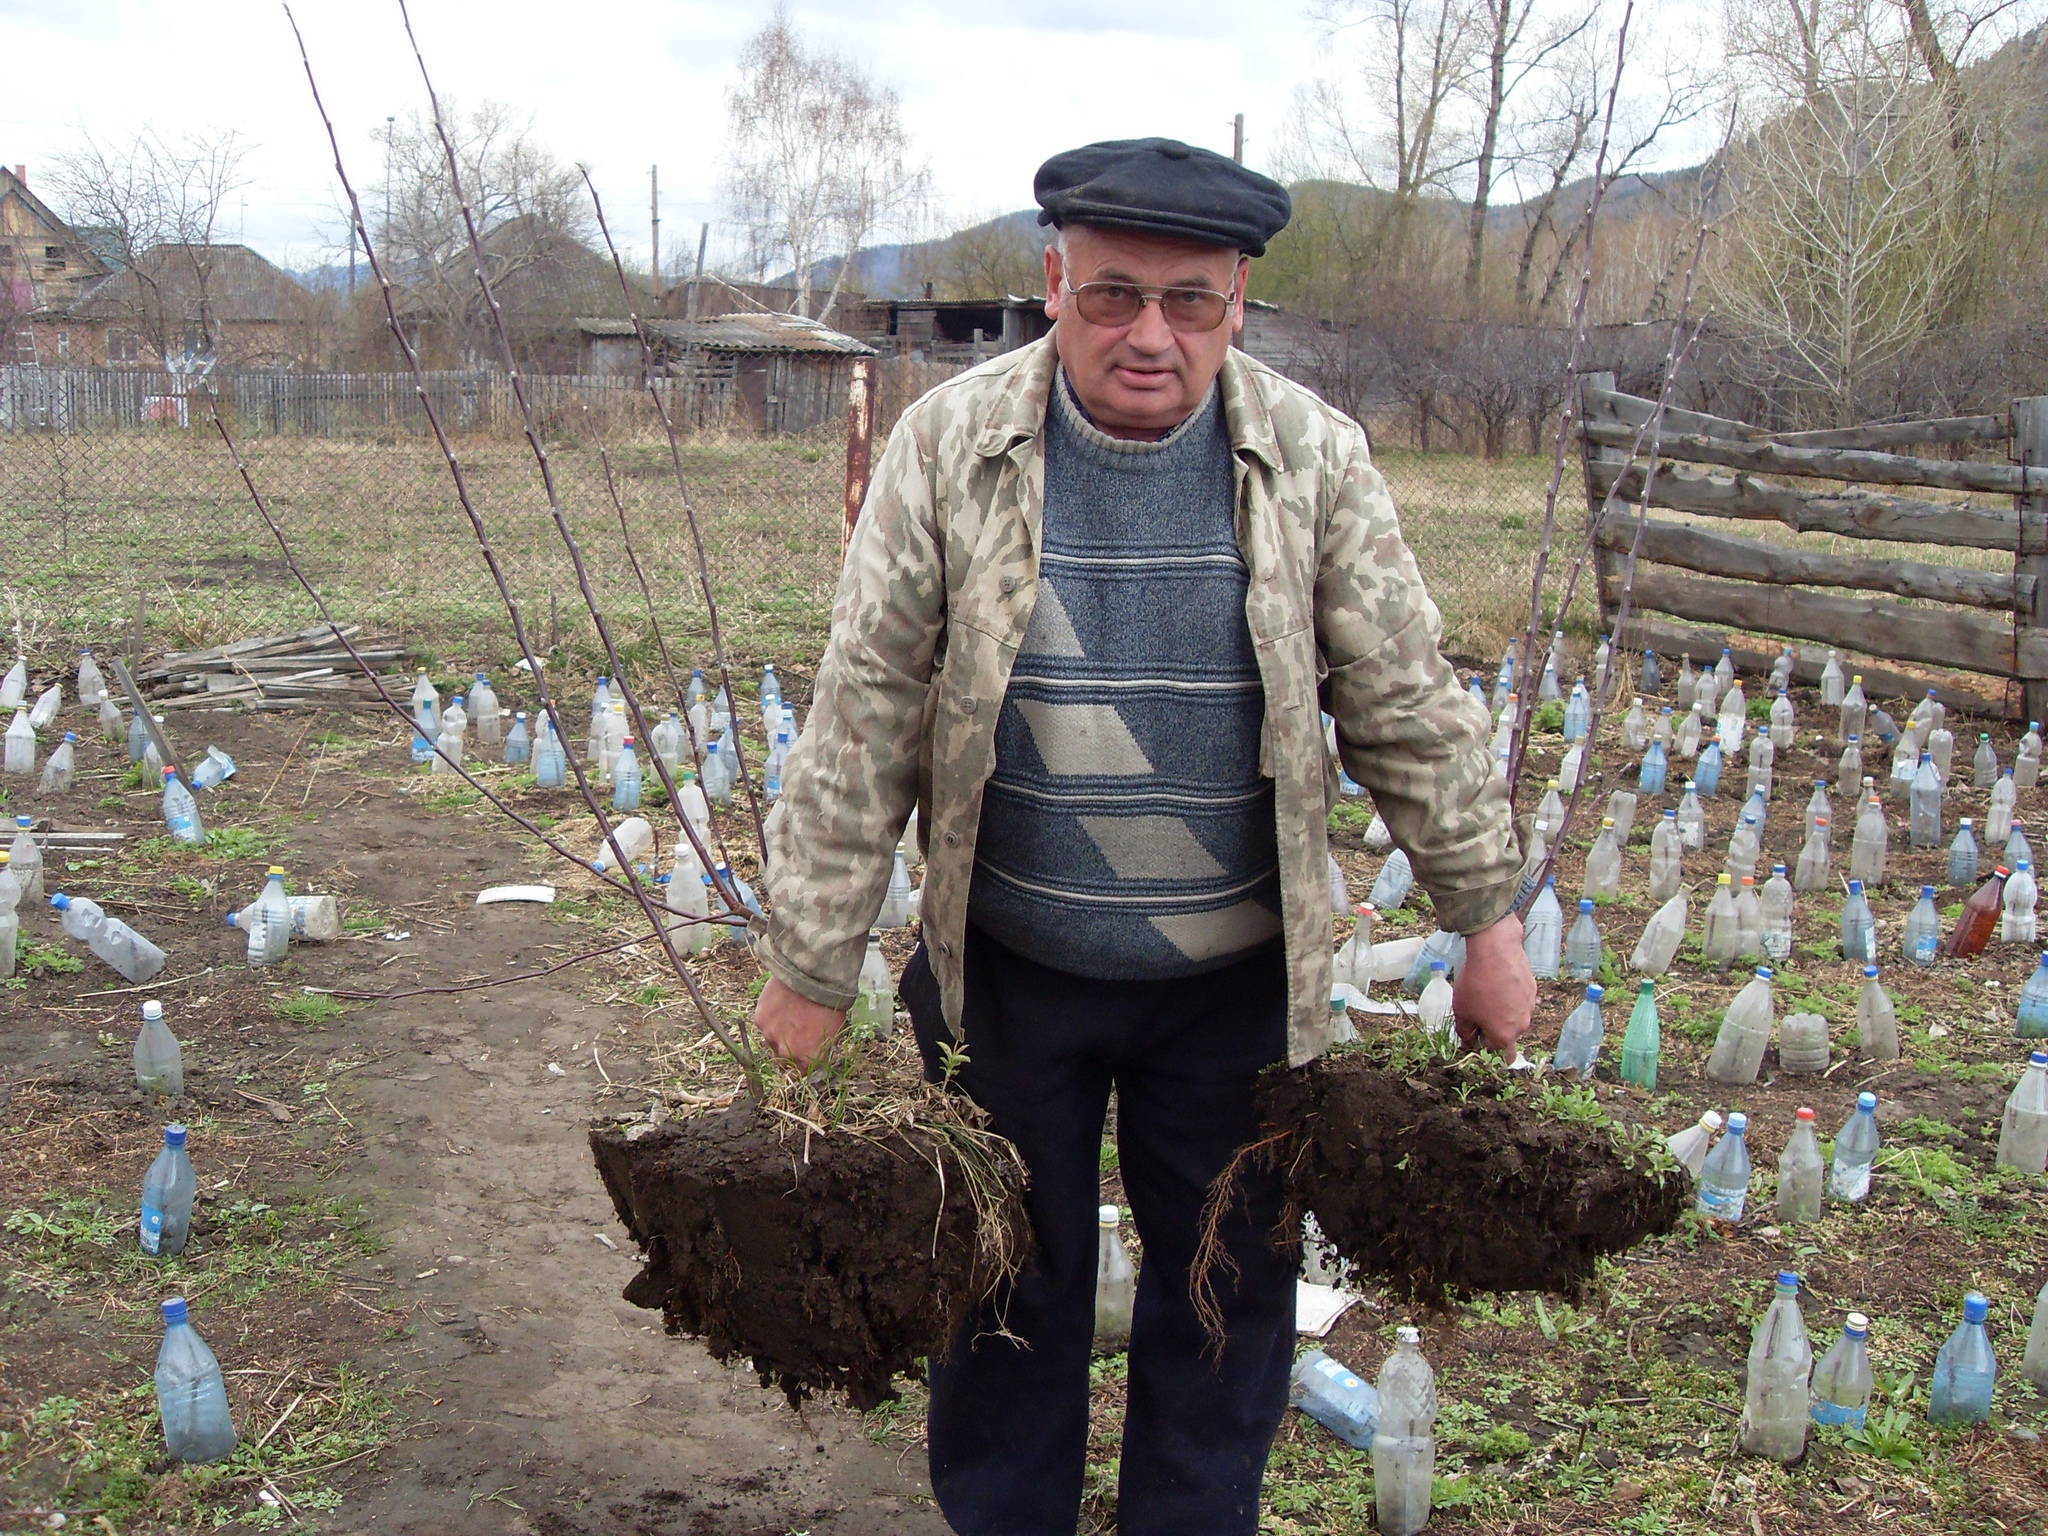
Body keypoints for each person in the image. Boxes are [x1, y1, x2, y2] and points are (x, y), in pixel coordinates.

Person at [752, 137, 1534, 1536]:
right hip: (1007, 970)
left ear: (1240, 304)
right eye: (1114, 296)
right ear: (1053, 283)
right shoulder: (952, 446)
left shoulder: (1310, 460)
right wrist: (810, 967)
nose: (1151, 337)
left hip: (1235, 988)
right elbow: (865, 709)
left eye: (1192, 302)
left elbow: (1404, 697)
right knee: (999, 1293)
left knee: (1227, 1304)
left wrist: (1488, 919)